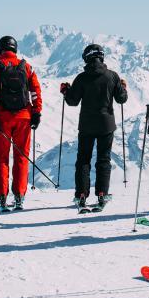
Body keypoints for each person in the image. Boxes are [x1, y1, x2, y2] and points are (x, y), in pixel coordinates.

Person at [61, 43, 129, 210]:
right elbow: (121, 99)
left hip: (86, 125)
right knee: (103, 159)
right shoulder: (112, 76)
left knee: (83, 159)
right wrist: (123, 87)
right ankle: (102, 194)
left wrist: (65, 91)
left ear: (86, 58)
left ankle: (81, 194)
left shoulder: (81, 78)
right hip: (106, 124)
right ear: (101, 56)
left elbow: (72, 101)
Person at [0, 35, 43, 211]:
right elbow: (35, 91)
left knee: (1, 158)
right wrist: (36, 112)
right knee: (21, 157)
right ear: (15, 49)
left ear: (0, 49)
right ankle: (19, 197)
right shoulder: (26, 67)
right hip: (24, 118)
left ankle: (1, 198)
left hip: (2, 119)